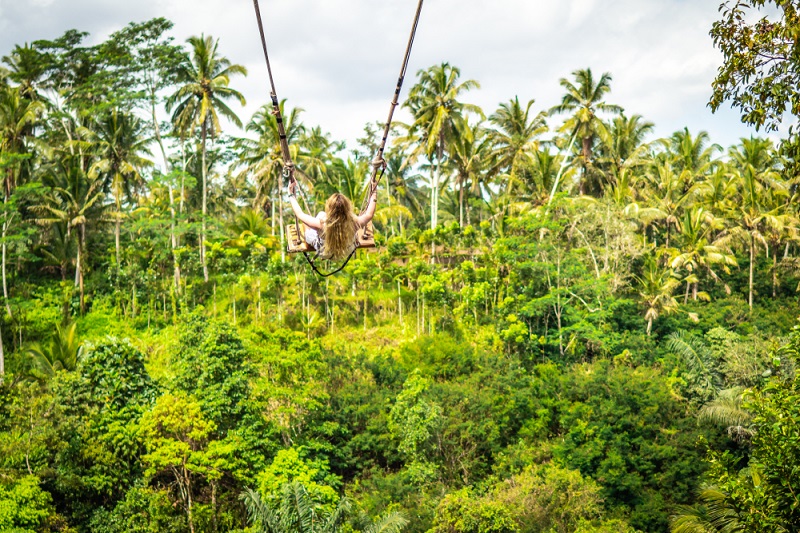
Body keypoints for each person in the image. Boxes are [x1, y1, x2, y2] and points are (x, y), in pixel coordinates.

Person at [287, 180, 378, 260]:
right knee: (352, 218)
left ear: (330, 208)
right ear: (347, 208)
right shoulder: (354, 223)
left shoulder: (321, 224)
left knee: (312, 221)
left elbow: (300, 214)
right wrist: (374, 192)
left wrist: (291, 195)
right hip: (345, 251)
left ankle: (312, 235)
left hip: (325, 253)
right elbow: (369, 215)